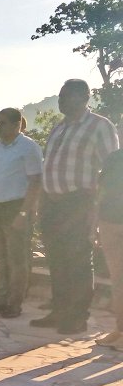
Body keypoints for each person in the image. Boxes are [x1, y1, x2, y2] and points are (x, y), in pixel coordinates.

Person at [31, 80, 120, 334]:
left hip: (79, 202)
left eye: (64, 96)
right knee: (57, 259)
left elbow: (111, 169)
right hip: (53, 203)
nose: (59, 100)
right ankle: (59, 310)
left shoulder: (100, 126)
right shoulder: (59, 128)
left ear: (83, 97)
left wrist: (97, 207)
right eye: (59, 95)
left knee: (78, 259)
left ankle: (76, 317)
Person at [0, 108, 43, 319]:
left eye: (3, 122)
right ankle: (2, 299)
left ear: (17, 125)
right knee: (1, 257)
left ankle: (15, 304)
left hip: (16, 208)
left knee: (17, 260)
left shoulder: (28, 147)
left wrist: (24, 213)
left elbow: (35, 182)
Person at [95, 147, 123, 349]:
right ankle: (120, 330)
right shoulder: (114, 157)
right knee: (118, 280)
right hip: (110, 222)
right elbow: (101, 189)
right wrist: (95, 221)